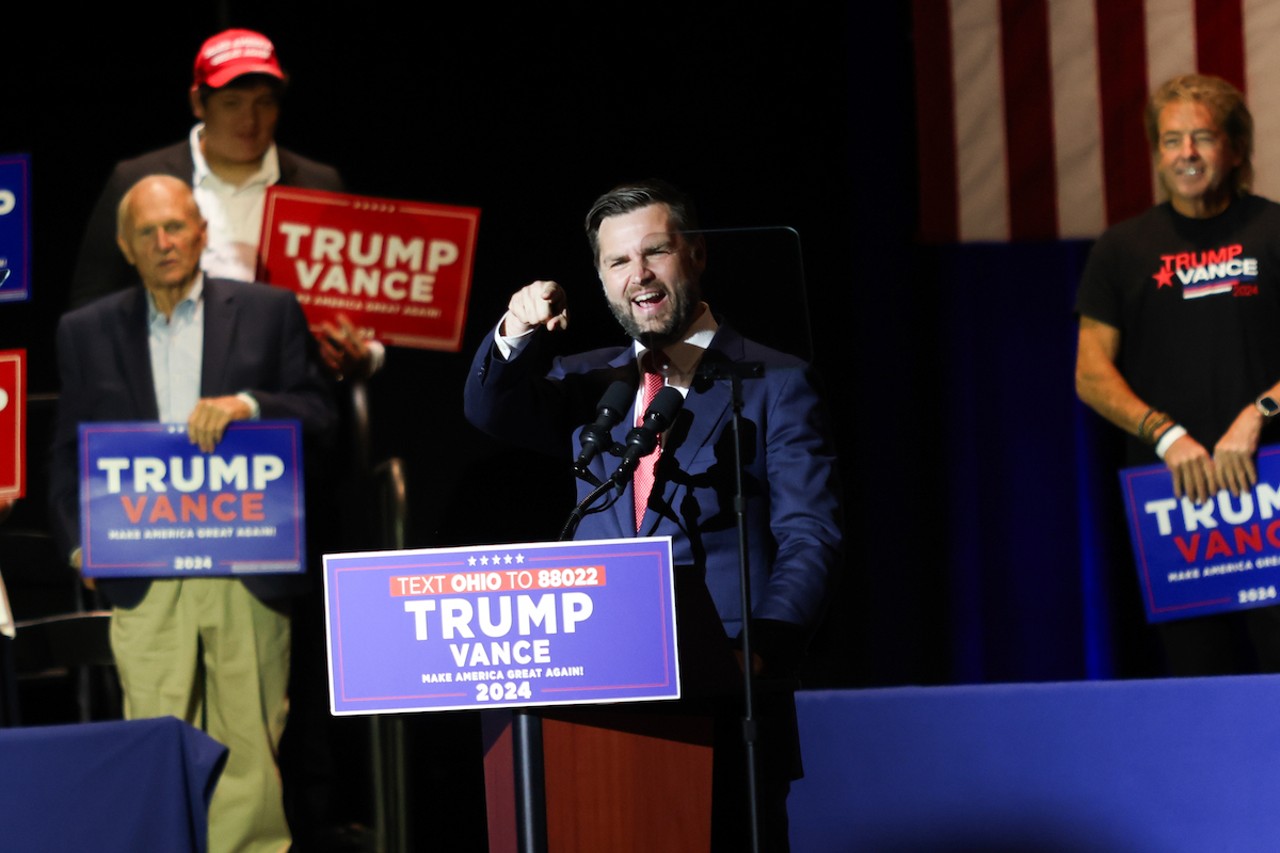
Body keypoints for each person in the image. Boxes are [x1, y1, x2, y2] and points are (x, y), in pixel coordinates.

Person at [463, 179, 844, 850]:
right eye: (617, 262)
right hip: (595, 695)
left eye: (655, 252)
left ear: (695, 254)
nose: (637, 275)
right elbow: (488, 408)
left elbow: (809, 533)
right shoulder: (590, 386)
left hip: (727, 701)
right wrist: (517, 326)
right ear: (601, 279)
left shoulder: (775, 382)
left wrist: (761, 647)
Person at [48, 175, 337, 853]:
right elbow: (66, 450)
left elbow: (321, 413)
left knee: (248, 748)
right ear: (125, 246)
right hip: (144, 573)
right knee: (154, 743)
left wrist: (251, 404)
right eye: (147, 232)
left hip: (247, 565)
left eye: (176, 226)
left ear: (202, 230)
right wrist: (76, 547)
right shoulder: (84, 331)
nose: (164, 241)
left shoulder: (269, 311)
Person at [1075, 72, 1280, 676]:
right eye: (1171, 140)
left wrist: (1258, 414)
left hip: (1270, 491)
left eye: (1203, 137)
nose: (1186, 153)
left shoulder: (1274, 231)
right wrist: (1165, 435)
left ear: (1236, 149)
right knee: (1197, 688)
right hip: (1176, 505)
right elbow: (1090, 374)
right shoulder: (1121, 249)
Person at [68, 27, 379, 381]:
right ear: (199, 103)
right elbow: (90, 305)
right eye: (232, 103)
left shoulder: (319, 186)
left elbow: (362, 314)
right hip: (165, 388)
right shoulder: (138, 181)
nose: (249, 121)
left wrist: (362, 355)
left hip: (286, 396)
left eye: (264, 102)